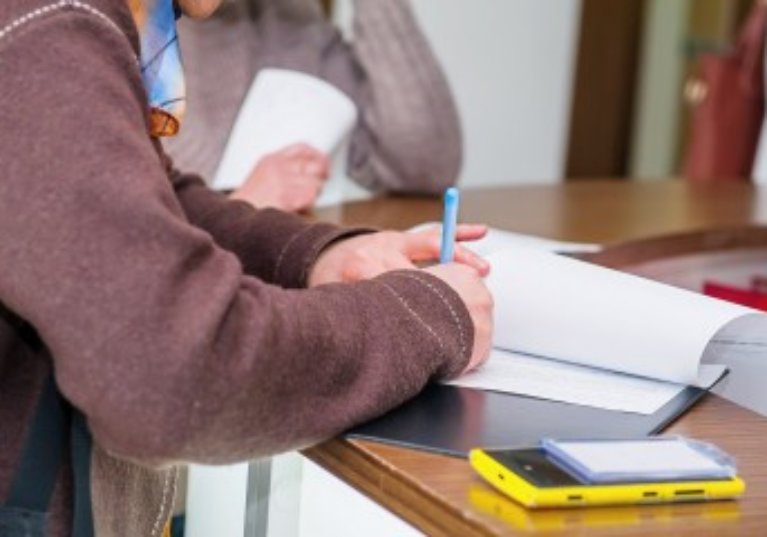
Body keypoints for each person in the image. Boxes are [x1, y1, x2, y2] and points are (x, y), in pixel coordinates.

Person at [0, 0, 492, 535]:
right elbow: (175, 375)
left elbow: (157, 196)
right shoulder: (48, 37)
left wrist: (319, 256)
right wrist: (426, 315)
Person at [163, 0, 463, 211]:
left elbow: (425, 169)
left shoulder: (291, 14)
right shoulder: (133, 22)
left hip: (279, 271)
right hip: (193, 285)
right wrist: (241, 204)